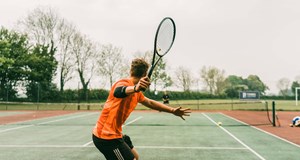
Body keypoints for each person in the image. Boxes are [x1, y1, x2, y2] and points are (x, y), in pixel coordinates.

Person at [92, 58, 191, 160]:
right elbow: (118, 92)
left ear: (131, 71)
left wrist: (172, 110)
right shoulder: (123, 83)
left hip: (115, 134)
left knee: (135, 156)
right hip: (106, 138)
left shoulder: (137, 93)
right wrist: (135, 88)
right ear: (145, 74)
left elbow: (150, 102)